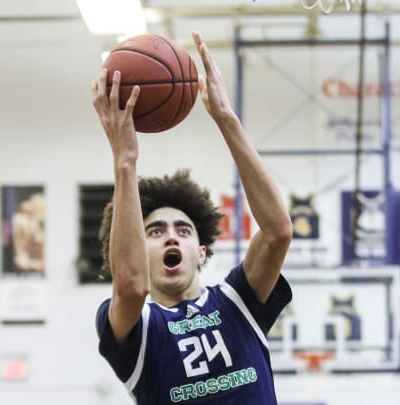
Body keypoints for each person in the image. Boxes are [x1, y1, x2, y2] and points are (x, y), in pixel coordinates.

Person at [92, 31, 293, 404]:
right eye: (154, 231)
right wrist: (125, 161)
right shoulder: (140, 329)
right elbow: (132, 286)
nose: (171, 237)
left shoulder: (237, 303)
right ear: (138, 250)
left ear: (201, 252)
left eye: (183, 230)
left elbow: (278, 231)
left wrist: (227, 118)